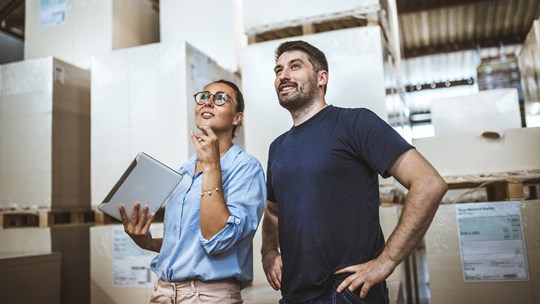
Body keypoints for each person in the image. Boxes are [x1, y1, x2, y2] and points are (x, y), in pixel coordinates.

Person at [261, 41, 448, 304]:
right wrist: (268, 251)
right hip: (294, 295)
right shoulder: (277, 147)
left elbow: (428, 183)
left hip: (347, 293)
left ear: (321, 77)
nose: (283, 76)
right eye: (278, 70)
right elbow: (273, 210)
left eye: (295, 67)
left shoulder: (355, 123)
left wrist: (387, 261)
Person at [120, 79, 267, 304]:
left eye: (220, 98)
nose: (208, 102)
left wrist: (211, 167)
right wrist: (148, 242)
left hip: (209, 296)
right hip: (164, 292)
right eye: (204, 96)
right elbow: (187, 243)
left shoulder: (246, 168)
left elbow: (217, 240)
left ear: (238, 117)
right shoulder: (184, 171)